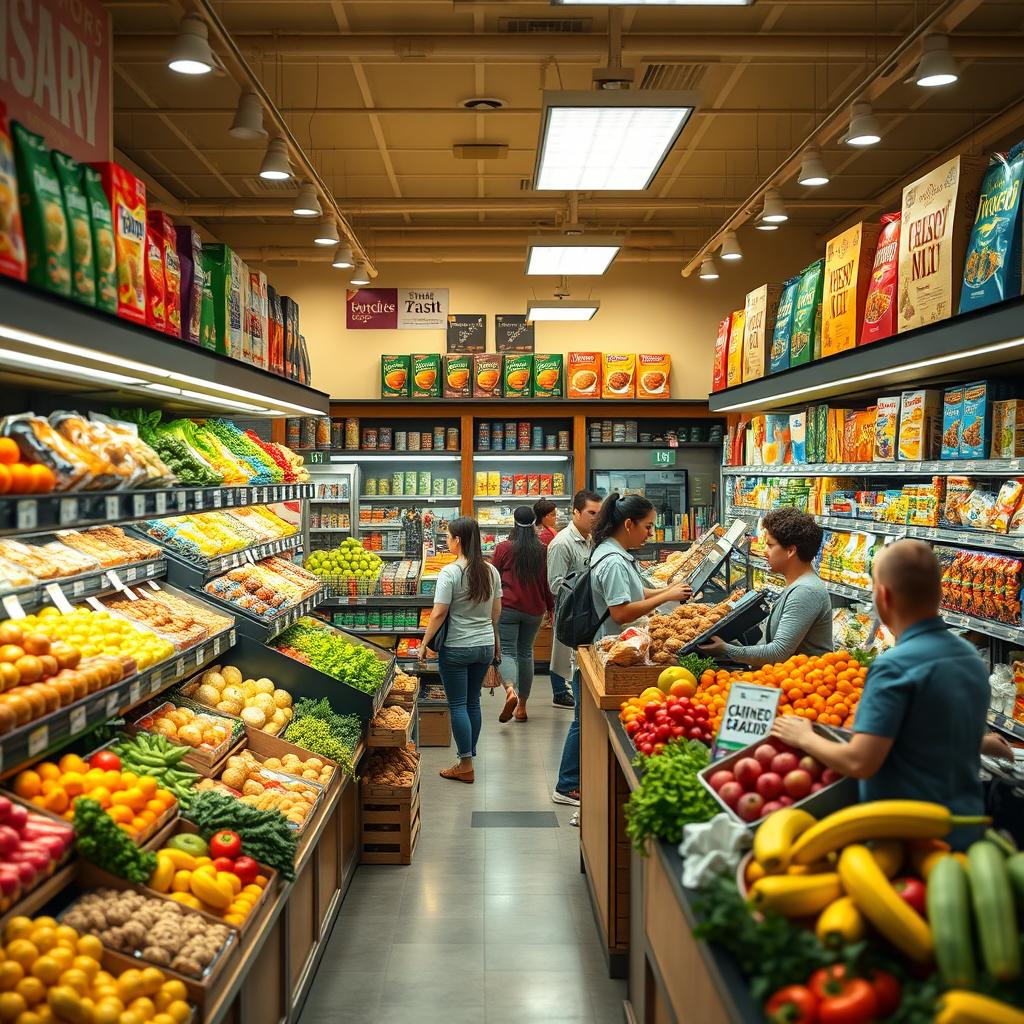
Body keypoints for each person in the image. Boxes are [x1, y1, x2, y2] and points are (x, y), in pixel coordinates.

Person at [772, 539, 1011, 848]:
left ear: (883, 597)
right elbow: (930, 729)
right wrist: (981, 742)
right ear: (940, 595)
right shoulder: (970, 659)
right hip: (965, 826)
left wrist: (803, 736)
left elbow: (860, 762)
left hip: (905, 836)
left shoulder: (892, 668)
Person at [420, 516, 501, 784]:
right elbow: (495, 613)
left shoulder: (451, 572)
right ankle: (467, 758)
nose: (446, 541)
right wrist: (495, 643)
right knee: (472, 702)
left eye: (448, 537)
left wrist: (424, 644)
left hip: (457, 647)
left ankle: (465, 764)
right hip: (484, 646)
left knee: (457, 704)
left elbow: (439, 612)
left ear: (459, 540)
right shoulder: (491, 571)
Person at [700, 507, 833, 666]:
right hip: (789, 680)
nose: (764, 551)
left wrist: (725, 649)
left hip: (803, 685)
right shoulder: (798, 584)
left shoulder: (806, 591)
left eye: (770, 545)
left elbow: (778, 652)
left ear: (790, 551)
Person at [549, 489, 602, 808]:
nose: (596, 518)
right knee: (581, 717)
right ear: (576, 513)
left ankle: (579, 778)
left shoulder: (594, 541)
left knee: (586, 717)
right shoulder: (562, 544)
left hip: (592, 628)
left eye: (599, 513)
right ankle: (566, 783)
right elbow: (556, 586)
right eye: (592, 513)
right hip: (578, 628)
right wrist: (590, 586)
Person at [590, 492, 693, 640]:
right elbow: (620, 613)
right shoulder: (613, 562)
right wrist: (666, 596)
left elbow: (635, 592)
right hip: (615, 643)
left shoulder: (612, 550)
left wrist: (670, 590)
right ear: (629, 525)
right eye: (648, 527)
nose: (651, 533)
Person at [492, 506, 553, 723]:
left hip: (508, 607)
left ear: (514, 522)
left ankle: (510, 691)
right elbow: (547, 582)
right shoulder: (542, 548)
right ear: (535, 521)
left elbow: (494, 577)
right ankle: (522, 708)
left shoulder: (504, 548)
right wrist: (551, 608)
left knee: (508, 651)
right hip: (535, 609)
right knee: (526, 652)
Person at [534, 496, 574, 709]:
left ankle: (560, 688)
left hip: (546, 597)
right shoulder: (549, 537)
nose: (555, 517)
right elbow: (550, 576)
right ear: (545, 516)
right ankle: (559, 690)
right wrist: (550, 605)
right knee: (560, 648)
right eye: (552, 514)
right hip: (552, 597)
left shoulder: (542, 535)